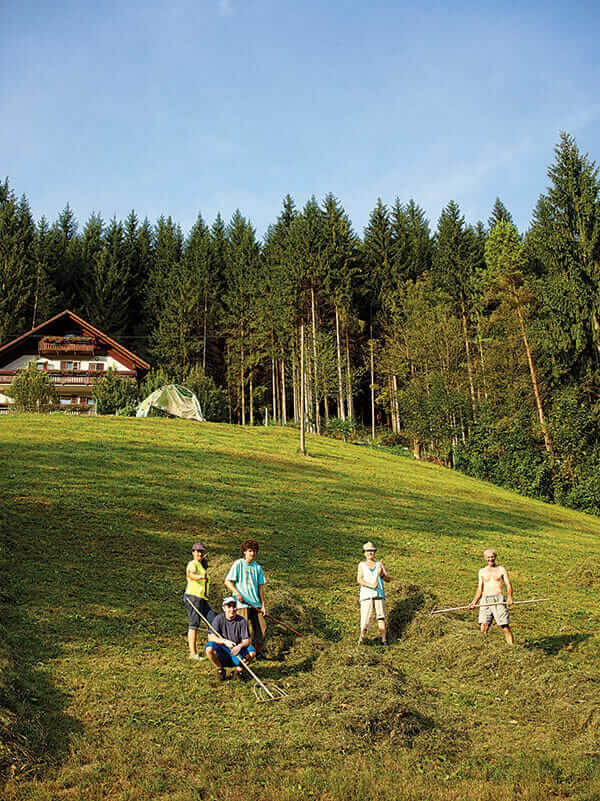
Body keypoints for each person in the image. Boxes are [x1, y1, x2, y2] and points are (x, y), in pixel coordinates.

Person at [225, 538, 267, 654]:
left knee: (262, 630)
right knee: (242, 631)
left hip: (255, 605)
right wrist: (237, 593)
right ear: (244, 552)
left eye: (254, 551)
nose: (252, 553)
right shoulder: (238, 564)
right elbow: (228, 581)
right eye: (249, 551)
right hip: (242, 604)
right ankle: (238, 654)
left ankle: (254, 654)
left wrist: (263, 605)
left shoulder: (257, 567)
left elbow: (261, 587)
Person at [469, 548, 514, 645]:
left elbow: (508, 584)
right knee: (484, 626)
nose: (490, 559)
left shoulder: (501, 569)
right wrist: (474, 602)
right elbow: (480, 589)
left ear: (495, 557)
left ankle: (512, 647)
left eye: (492, 557)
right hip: (485, 600)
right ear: (485, 558)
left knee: (504, 626)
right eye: (488, 557)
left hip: (498, 599)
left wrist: (509, 597)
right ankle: (482, 647)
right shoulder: (482, 571)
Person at [205, 597, 256, 680]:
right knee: (209, 648)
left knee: (252, 653)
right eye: (229, 607)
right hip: (222, 651)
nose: (232, 609)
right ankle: (220, 670)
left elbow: (246, 640)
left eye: (234, 606)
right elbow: (211, 637)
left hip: (236, 651)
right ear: (224, 608)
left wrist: (239, 646)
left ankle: (239, 670)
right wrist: (224, 641)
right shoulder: (218, 619)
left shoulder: (242, 621)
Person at [183, 541, 215, 661]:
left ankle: (213, 649)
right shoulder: (193, 564)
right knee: (194, 623)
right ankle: (193, 653)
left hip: (202, 598)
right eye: (196, 551)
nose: (199, 553)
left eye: (201, 551)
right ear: (193, 552)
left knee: (213, 620)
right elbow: (191, 575)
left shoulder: (202, 566)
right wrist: (201, 577)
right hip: (193, 597)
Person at [357, 541, 392, 646]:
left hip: (379, 594)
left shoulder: (379, 564)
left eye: (372, 551)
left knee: (381, 617)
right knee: (366, 618)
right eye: (368, 551)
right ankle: (361, 640)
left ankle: (384, 640)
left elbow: (388, 579)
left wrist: (382, 573)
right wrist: (370, 585)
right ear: (364, 553)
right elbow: (359, 580)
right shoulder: (362, 565)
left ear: (374, 552)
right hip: (366, 595)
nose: (370, 553)